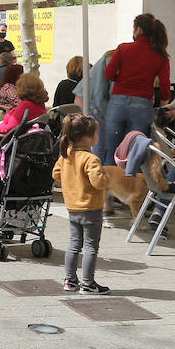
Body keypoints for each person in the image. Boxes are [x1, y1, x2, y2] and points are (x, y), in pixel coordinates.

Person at [53, 113, 111, 294]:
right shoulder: (90, 159)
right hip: (91, 209)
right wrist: (105, 177)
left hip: (72, 208)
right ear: (87, 137)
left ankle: (70, 281)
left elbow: (56, 175)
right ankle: (88, 283)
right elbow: (97, 182)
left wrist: (71, 180)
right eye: (96, 134)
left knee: (73, 244)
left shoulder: (66, 155)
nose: (97, 138)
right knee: (91, 247)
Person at [101, 13, 171, 165]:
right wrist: (165, 105)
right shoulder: (161, 56)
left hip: (117, 102)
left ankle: (110, 187)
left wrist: (122, 79)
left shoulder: (123, 49)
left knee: (113, 149)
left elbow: (108, 73)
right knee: (136, 150)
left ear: (138, 30)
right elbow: (165, 86)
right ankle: (133, 185)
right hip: (142, 105)